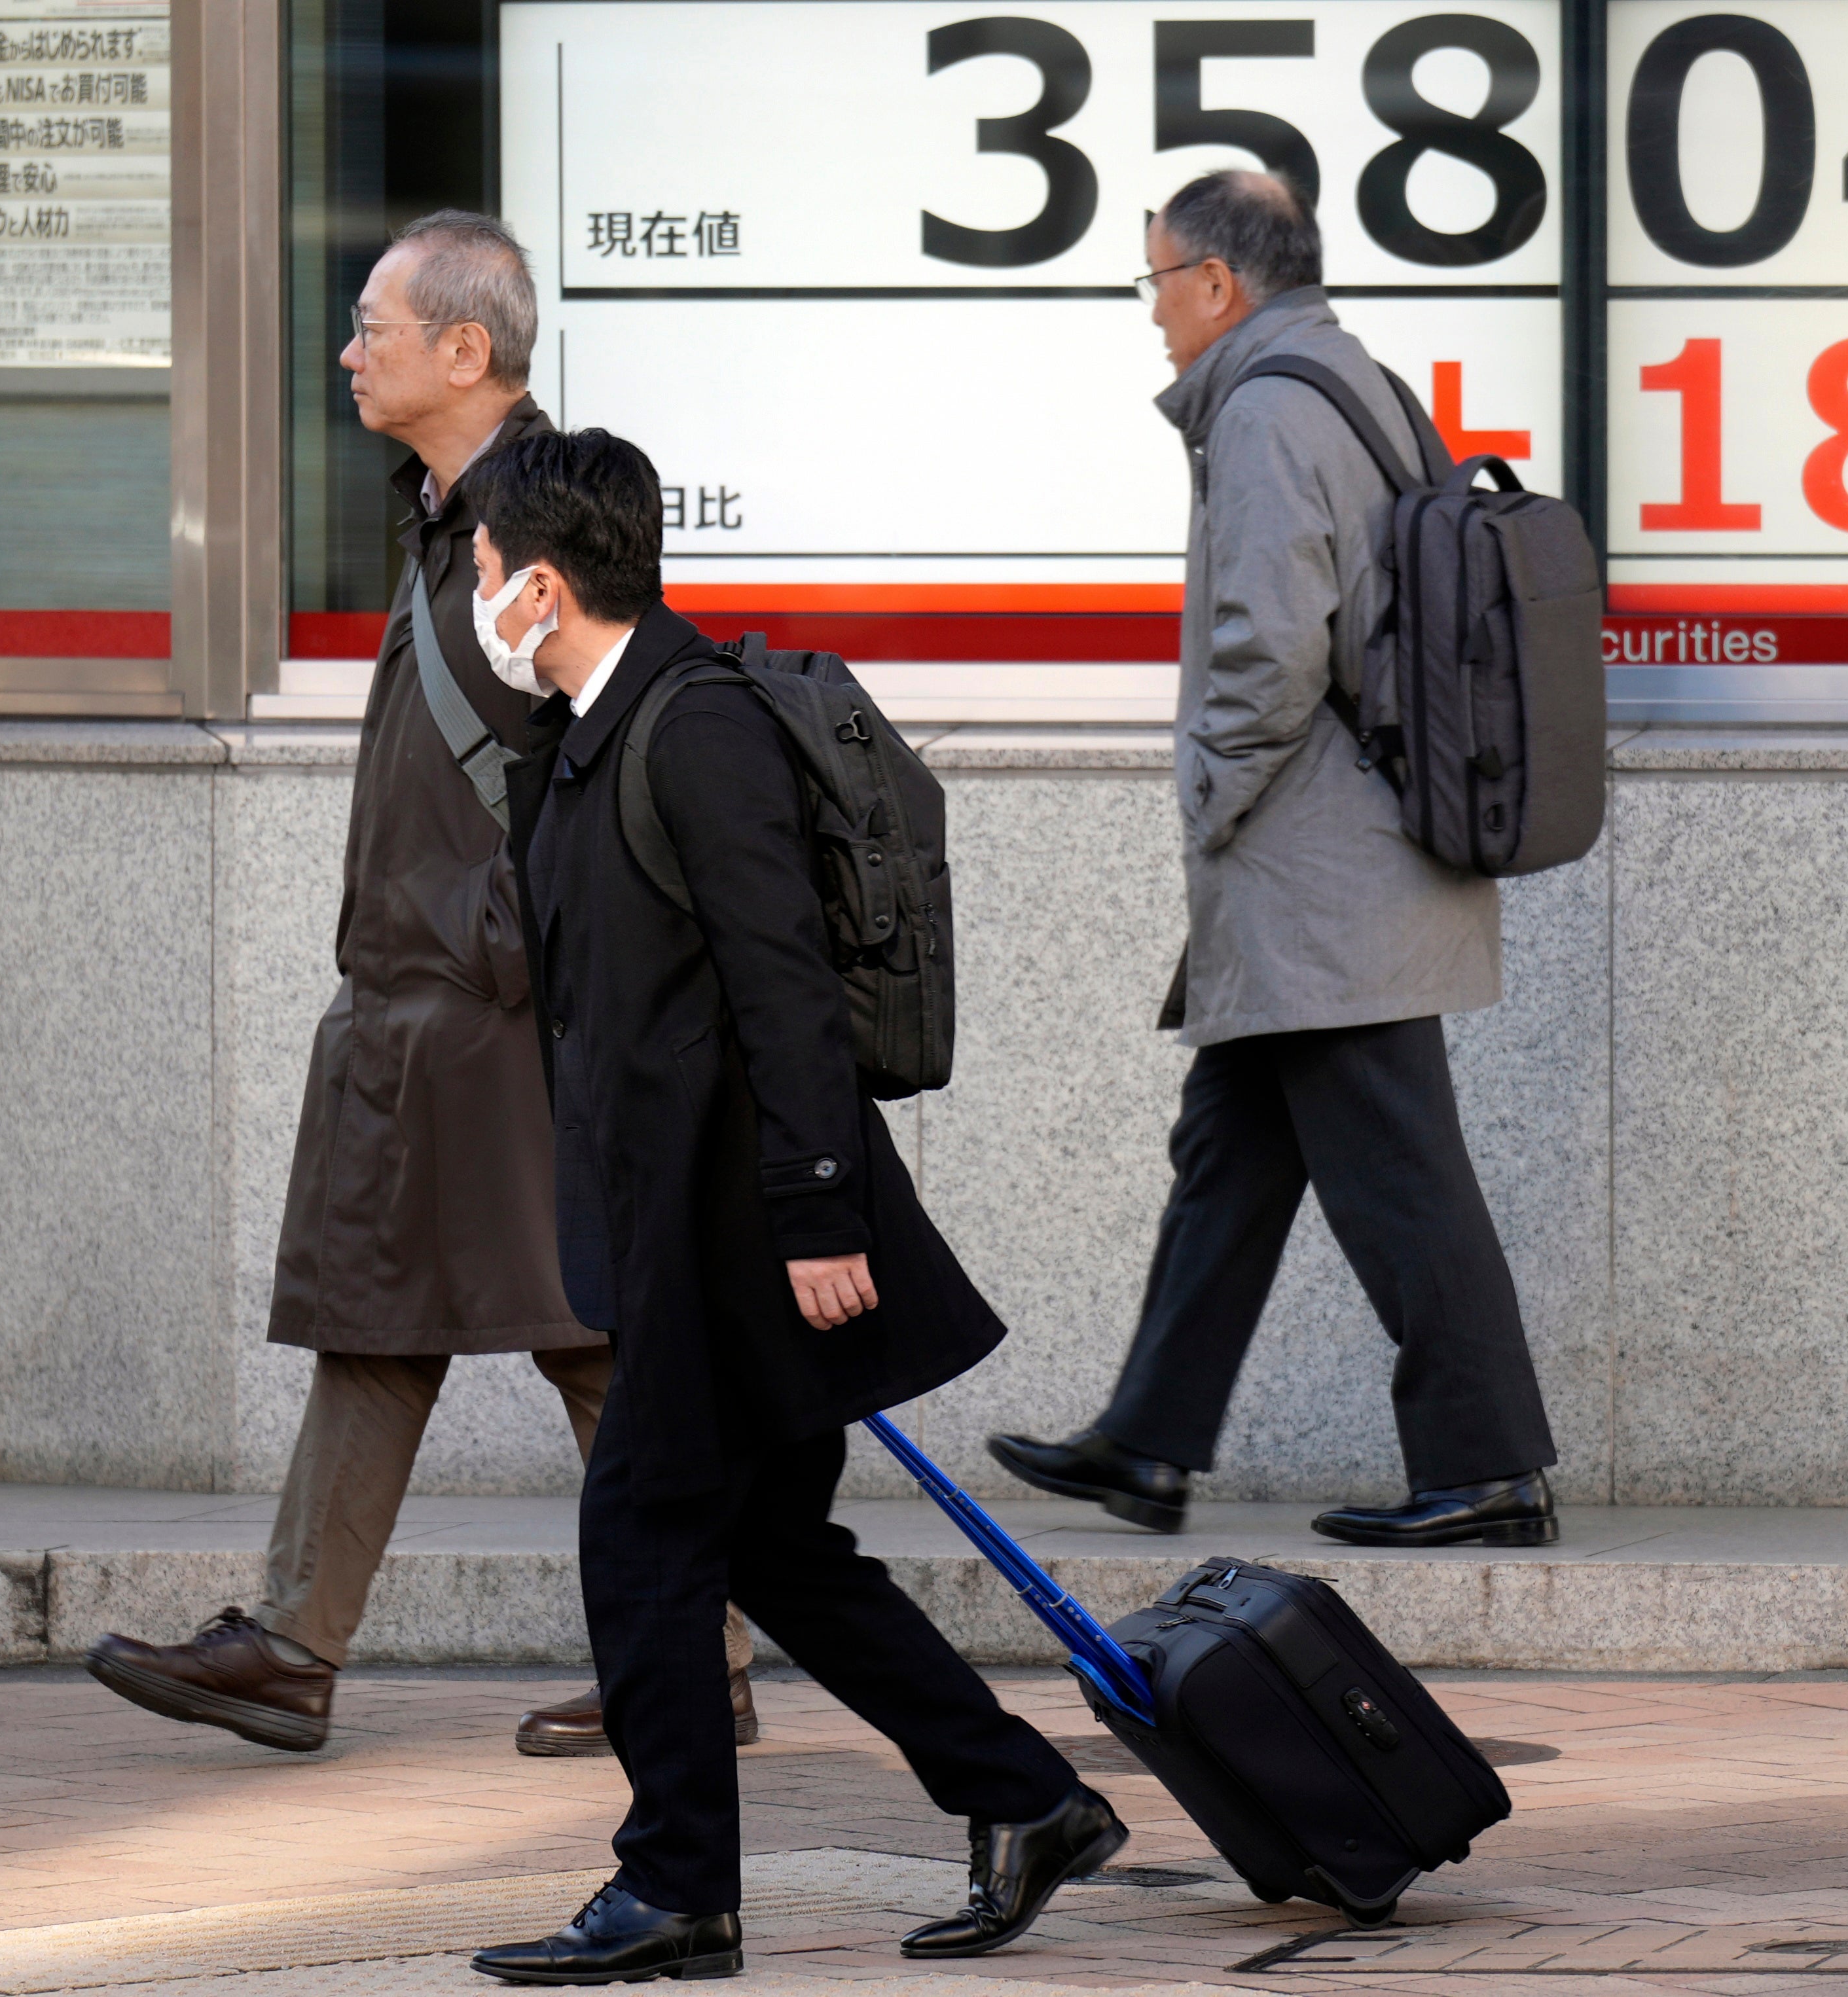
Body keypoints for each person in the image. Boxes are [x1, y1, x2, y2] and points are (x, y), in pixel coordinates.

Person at [81, 209, 757, 1757]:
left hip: (496, 1004)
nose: (347, 350)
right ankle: (297, 1640)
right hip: (430, 994)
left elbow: (616, 733)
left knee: (579, 1323)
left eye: (374, 325)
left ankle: (687, 1647)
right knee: (389, 1310)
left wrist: (501, 938)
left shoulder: (538, 521)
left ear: (468, 347)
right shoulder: (454, 513)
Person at [466, 429, 1121, 1983]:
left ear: (542, 583)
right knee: (773, 1546)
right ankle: (1027, 1797)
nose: (475, 592)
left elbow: (785, 986)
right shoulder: (583, 732)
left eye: (487, 570)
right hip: (678, 1214)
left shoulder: (693, 728)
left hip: (745, 1231)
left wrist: (821, 1210)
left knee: (641, 1535)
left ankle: (677, 1884)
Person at [985, 170, 1560, 1550]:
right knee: (1229, 1153)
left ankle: (1485, 1465)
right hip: (1351, 850)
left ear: (1219, 284)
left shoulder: (1266, 408)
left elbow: (1266, 645)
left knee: (1397, 1163)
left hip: (1321, 862)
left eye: (1156, 283)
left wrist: (1206, 794)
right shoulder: (1357, 383)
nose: (1154, 315)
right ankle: (1148, 1439)